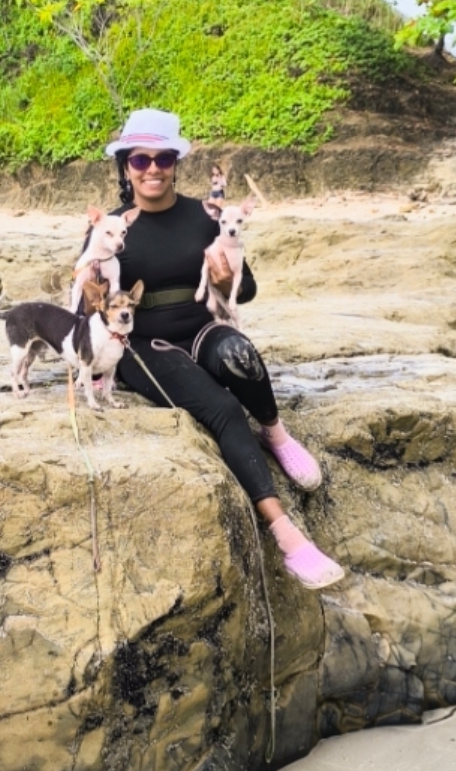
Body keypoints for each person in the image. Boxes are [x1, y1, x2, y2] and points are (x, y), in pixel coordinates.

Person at [93, 108, 345, 590]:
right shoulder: (110, 226)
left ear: (176, 163)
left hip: (202, 327)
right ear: (126, 165)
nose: (152, 169)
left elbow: (246, 290)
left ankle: (276, 434)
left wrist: (229, 280)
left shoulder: (204, 216)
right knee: (223, 408)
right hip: (143, 345)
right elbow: (90, 301)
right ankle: (287, 536)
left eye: (163, 158)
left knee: (239, 357)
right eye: (140, 160)